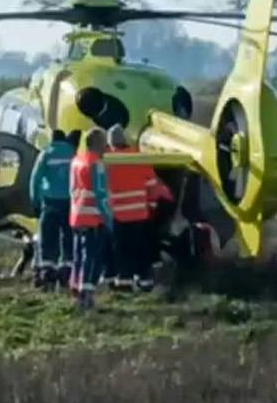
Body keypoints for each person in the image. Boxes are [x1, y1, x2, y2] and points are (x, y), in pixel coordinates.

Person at [103, 125, 174, 291]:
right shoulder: (139, 158)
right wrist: (151, 207)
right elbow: (153, 186)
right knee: (140, 250)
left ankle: (124, 283)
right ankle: (145, 282)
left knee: (122, 250)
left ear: (110, 143)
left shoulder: (107, 161)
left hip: (119, 215)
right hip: (140, 214)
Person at [68, 128, 113, 310]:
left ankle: (75, 285)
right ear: (97, 144)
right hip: (93, 217)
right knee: (91, 256)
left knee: (78, 254)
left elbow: (72, 189)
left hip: (76, 215)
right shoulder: (97, 164)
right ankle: (86, 293)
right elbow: (100, 194)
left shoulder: (76, 161)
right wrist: (109, 219)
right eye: (104, 142)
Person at [28, 130, 77, 290]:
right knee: (68, 237)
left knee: (48, 238)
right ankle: (67, 271)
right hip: (70, 202)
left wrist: (35, 202)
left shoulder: (45, 154)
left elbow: (35, 180)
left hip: (50, 202)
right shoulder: (73, 153)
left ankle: (47, 272)